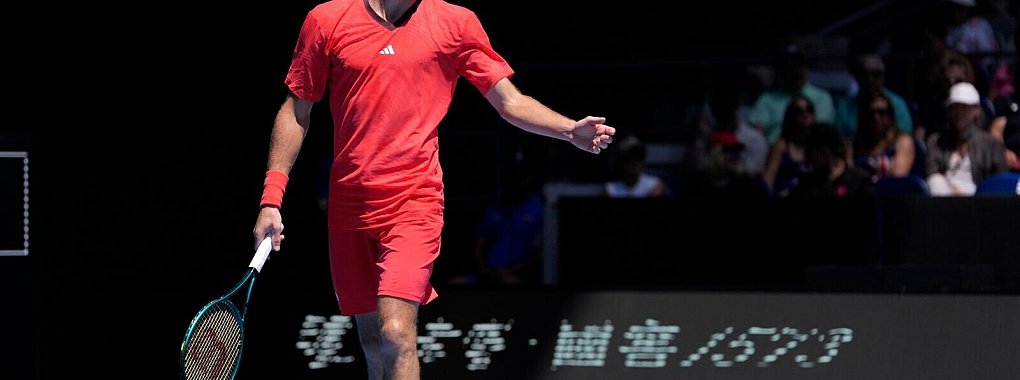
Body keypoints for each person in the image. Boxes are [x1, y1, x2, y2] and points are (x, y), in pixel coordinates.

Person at [250, 1, 616, 379]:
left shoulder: (455, 23)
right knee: (373, 341)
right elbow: (298, 111)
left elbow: (510, 102)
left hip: (414, 201)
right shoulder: (326, 19)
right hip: (350, 207)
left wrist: (569, 130)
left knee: (395, 332)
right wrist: (271, 200)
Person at [926, 82, 1009, 195]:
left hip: (979, 200)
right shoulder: (936, 141)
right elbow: (931, 172)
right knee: (935, 182)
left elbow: (1000, 180)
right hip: (944, 196)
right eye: (954, 108)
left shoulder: (991, 143)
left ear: (977, 110)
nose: (958, 113)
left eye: (964, 108)